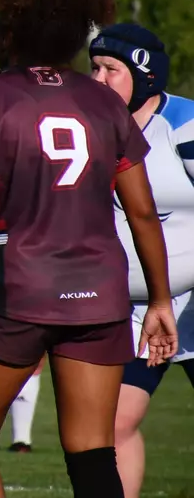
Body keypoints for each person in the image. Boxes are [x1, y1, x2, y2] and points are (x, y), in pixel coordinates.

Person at [0, 0, 179, 498]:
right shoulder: (105, 103)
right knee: (93, 453)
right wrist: (159, 301)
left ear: (13, 29)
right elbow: (141, 213)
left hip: (17, 289)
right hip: (100, 296)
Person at [88, 24, 194, 498]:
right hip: (132, 310)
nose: (98, 79)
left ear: (146, 76)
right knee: (113, 425)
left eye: (112, 69)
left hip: (190, 305)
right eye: (93, 68)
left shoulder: (186, 125)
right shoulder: (88, 129)